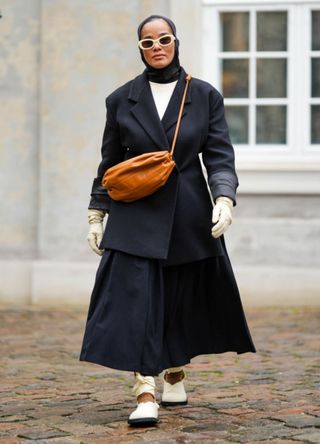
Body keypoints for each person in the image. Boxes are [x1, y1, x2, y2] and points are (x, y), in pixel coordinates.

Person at [79, 14, 256, 426]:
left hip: (188, 212)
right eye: (147, 42)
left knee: (178, 296)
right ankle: (145, 389)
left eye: (164, 39)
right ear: (139, 48)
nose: (156, 46)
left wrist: (225, 197)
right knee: (136, 298)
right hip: (135, 213)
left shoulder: (205, 95)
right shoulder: (121, 99)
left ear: (176, 42)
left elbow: (218, 154)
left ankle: (174, 368)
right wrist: (96, 211)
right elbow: (110, 161)